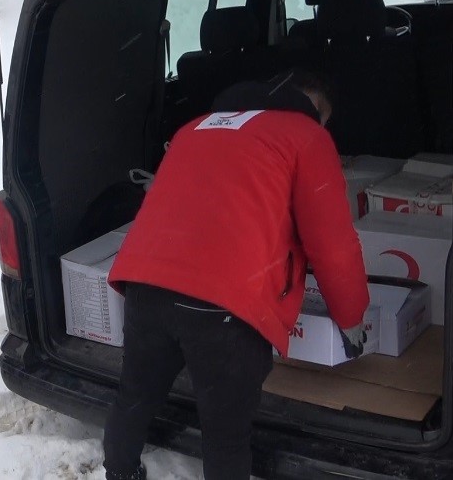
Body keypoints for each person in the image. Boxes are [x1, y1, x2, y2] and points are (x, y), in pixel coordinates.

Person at [102, 70, 371, 480]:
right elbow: (332, 242)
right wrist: (351, 316)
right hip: (225, 308)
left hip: (146, 285)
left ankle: (119, 472)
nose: (321, 126)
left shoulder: (195, 127)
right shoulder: (305, 136)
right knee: (225, 435)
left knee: (135, 396)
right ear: (308, 110)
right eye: (322, 117)